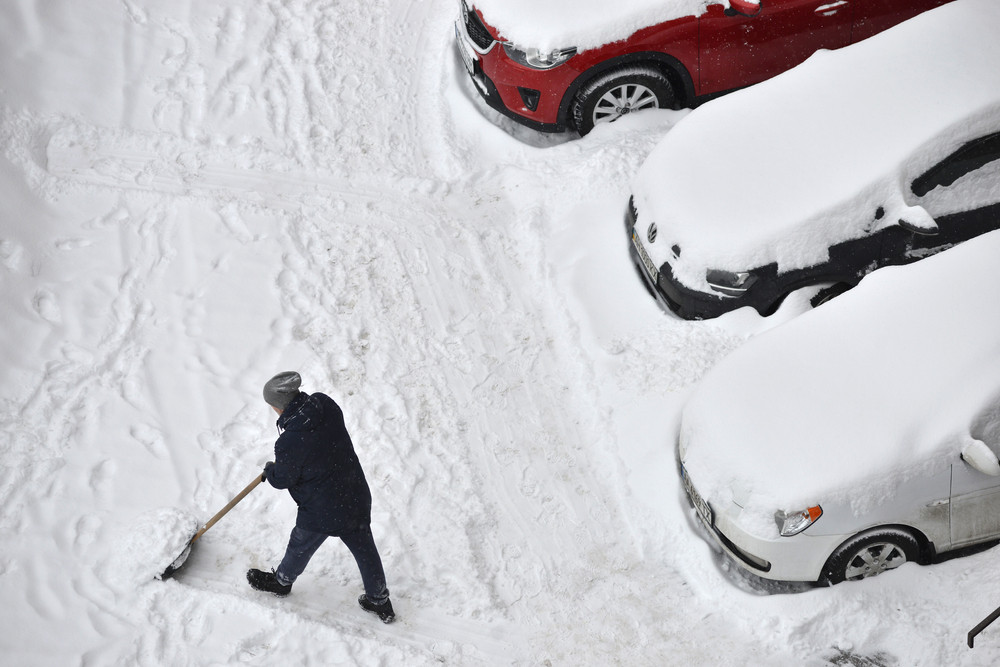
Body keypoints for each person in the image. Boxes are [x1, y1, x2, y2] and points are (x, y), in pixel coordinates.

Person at [246, 371, 395, 623]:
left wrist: (271, 470)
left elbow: (283, 479)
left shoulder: (290, 441)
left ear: (278, 405)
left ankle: (282, 582)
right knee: (365, 548)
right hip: (354, 492)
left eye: (271, 405)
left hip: (322, 507)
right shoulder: (324, 404)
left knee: (300, 545)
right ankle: (380, 601)